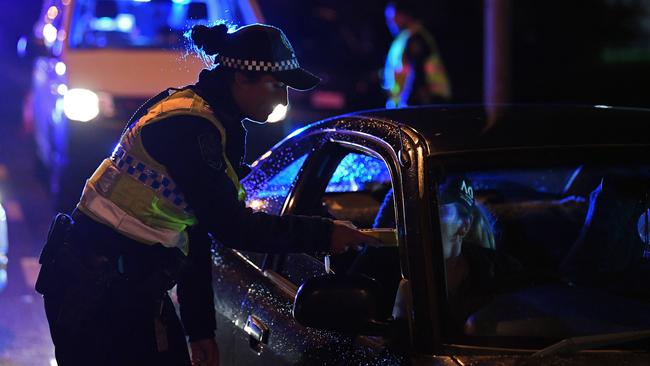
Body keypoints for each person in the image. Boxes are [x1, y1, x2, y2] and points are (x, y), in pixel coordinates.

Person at [35, 22, 378, 366]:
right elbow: (230, 226)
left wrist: (199, 330)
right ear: (241, 78)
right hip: (96, 290)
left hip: (125, 279)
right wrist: (323, 234)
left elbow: (192, 230)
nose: (282, 99)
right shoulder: (190, 128)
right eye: (276, 85)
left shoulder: (208, 120)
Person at [383, 0, 452, 108]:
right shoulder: (404, 38)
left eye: (393, 17)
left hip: (428, 102)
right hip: (412, 104)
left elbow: (417, 71)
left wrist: (408, 102)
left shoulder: (415, 37)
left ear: (404, 15)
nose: (390, 22)